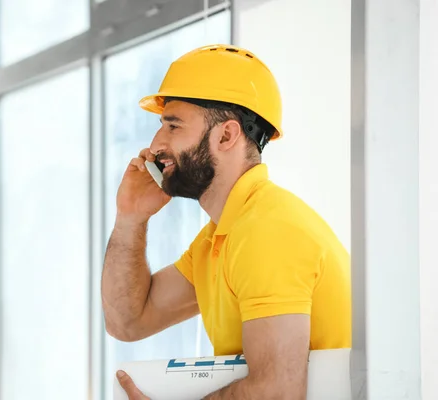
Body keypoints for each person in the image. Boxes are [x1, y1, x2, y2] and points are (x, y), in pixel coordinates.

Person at [101, 44, 351, 400]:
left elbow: (276, 392)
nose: (156, 143)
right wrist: (130, 218)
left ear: (226, 135)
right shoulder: (221, 238)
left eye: (173, 126)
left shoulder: (268, 230)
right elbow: (127, 321)